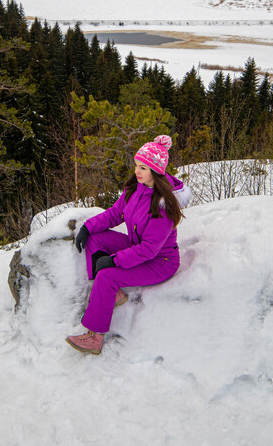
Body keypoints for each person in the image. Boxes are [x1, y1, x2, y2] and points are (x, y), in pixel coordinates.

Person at [66, 135, 191, 355]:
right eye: (136, 165)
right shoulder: (136, 189)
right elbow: (115, 214)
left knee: (107, 275)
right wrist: (88, 227)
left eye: (143, 167)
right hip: (137, 246)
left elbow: (148, 250)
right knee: (95, 239)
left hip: (160, 261)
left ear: (156, 172)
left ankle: (95, 337)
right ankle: (112, 296)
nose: (137, 171)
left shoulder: (163, 206)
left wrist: (112, 261)